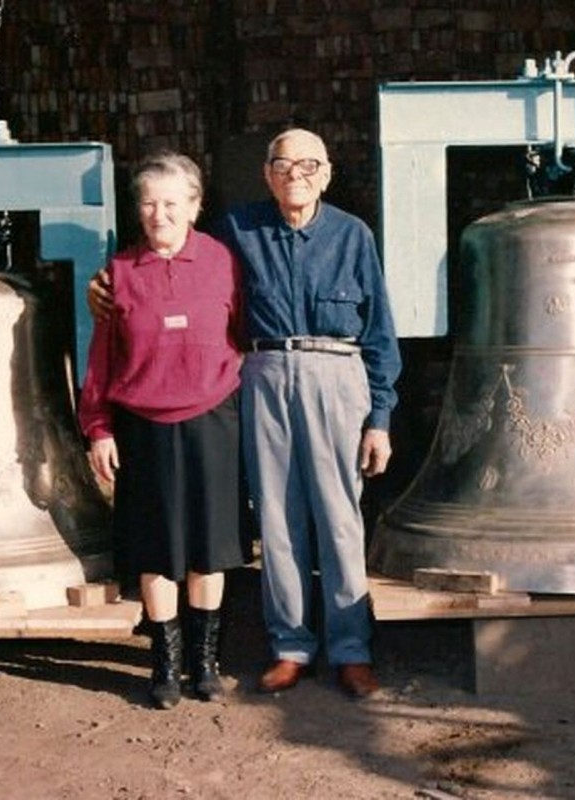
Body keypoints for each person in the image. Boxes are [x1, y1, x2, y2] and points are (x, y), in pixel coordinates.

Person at [90, 128, 401, 699]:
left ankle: (351, 650)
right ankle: (291, 646)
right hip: (263, 375)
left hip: (336, 374)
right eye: (283, 164)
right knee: (277, 518)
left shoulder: (352, 236)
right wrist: (106, 286)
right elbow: (173, 263)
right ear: (267, 174)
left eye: (309, 165)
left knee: (339, 517)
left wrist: (380, 415)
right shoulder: (238, 231)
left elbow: (380, 329)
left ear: (327, 173)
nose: (296, 175)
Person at [78, 151, 246, 710]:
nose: (160, 214)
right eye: (149, 203)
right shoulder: (118, 275)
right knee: (157, 551)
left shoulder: (224, 261)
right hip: (144, 427)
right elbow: (100, 361)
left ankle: (205, 664)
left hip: (212, 422)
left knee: (209, 548)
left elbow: (245, 331)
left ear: (195, 207)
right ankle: (164, 667)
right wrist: (99, 428)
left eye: (172, 202)